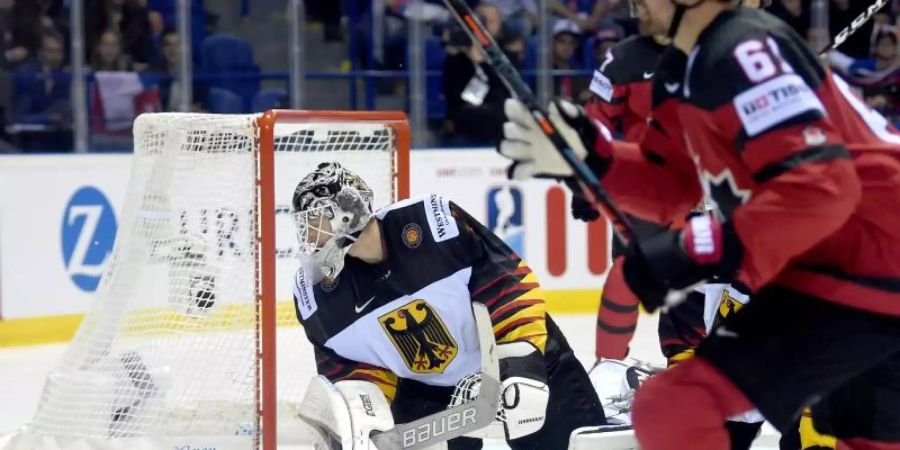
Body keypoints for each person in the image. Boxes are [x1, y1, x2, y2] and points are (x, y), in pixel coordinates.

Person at [496, 0, 900, 448]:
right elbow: (673, 184)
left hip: (871, 265)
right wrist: (593, 158)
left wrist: (695, 249)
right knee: (681, 407)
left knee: (681, 407)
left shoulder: (742, 45)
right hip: (846, 274)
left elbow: (822, 188)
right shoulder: (681, 70)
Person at [290, 162, 607, 449]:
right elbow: (351, 365)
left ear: (347, 213)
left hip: (518, 355)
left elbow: (505, 283)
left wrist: (521, 361)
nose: (309, 237)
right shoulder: (318, 294)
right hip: (428, 393)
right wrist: (363, 419)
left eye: (315, 223)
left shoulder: (428, 223)